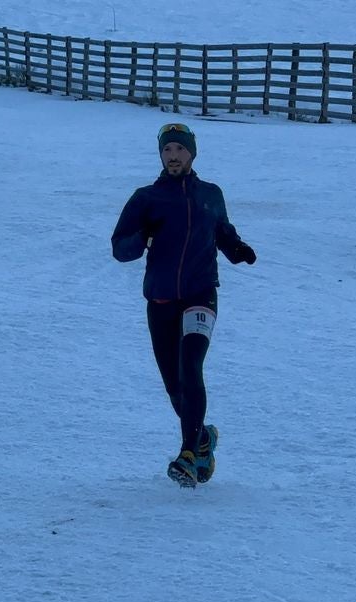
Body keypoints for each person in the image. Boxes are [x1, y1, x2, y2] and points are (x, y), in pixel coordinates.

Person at [111, 122, 256, 487]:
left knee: (191, 366)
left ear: (192, 153)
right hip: (160, 300)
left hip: (200, 294)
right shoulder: (146, 198)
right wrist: (141, 236)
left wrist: (237, 250)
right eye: (167, 150)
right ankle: (203, 437)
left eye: (179, 149)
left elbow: (222, 231)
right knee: (175, 386)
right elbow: (120, 247)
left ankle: (189, 453)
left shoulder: (210, 194)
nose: (173, 156)